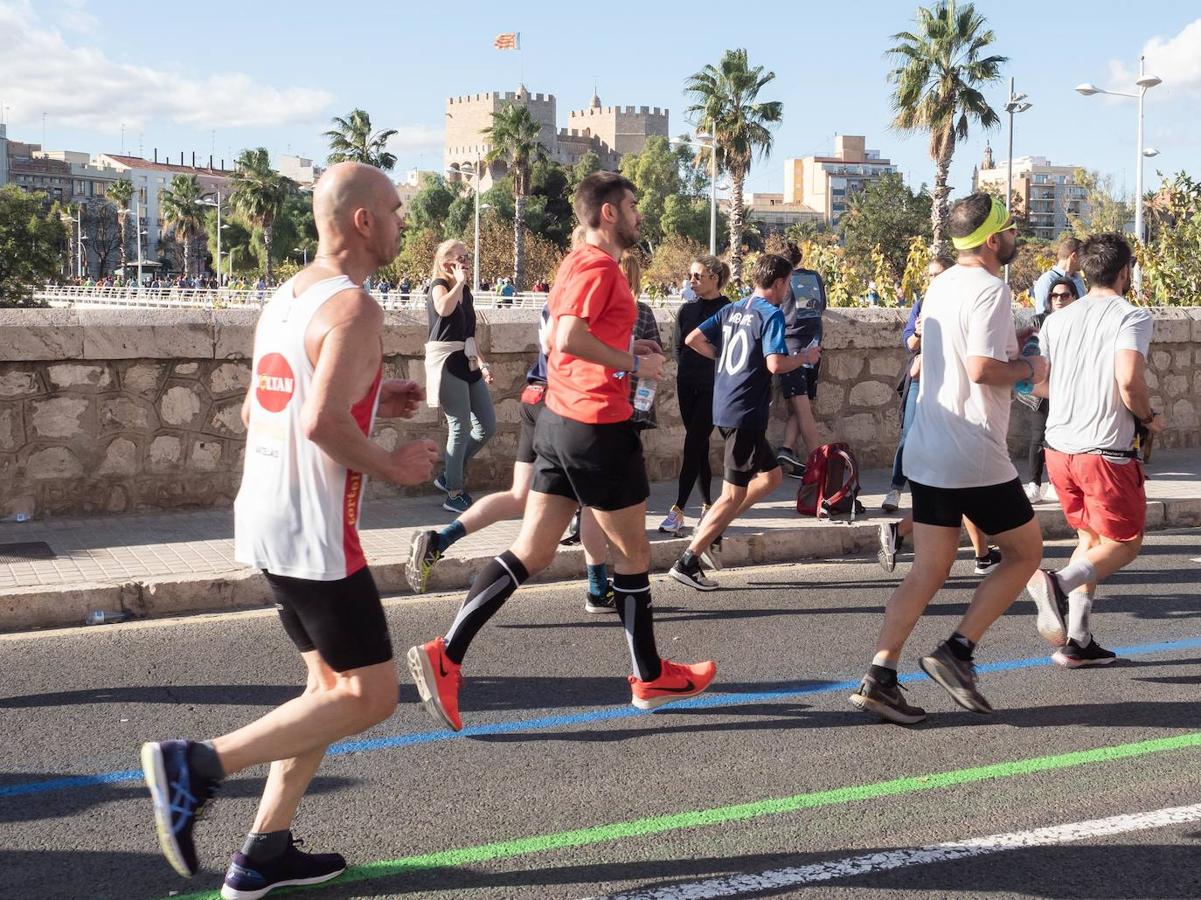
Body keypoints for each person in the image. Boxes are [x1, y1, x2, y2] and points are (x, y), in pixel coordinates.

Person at [139, 163, 440, 897]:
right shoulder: (356, 311)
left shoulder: (288, 295)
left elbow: (261, 410)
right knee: (369, 697)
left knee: (324, 689)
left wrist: (374, 399)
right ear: (364, 220)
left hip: (264, 515)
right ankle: (198, 764)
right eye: (396, 210)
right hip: (314, 528)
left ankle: (264, 849)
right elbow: (319, 422)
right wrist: (396, 467)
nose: (403, 221)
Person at [406, 171, 716, 732]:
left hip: (558, 421)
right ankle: (648, 676)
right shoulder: (598, 266)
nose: (640, 214)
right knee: (634, 556)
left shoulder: (574, 264)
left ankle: (446, 655)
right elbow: (569, 336)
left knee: (533, 550)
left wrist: (626, 344)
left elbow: (560, 341)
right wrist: (635, 364)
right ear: (609, 214)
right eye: (633, 205)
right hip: (598, 425)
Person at [849, 193, 1047, 724]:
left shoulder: (940, 285)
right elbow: (981, 368)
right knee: (1026, 552)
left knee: (929, 570)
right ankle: (957, 653)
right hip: (971, 449)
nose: (1014, 238)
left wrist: (1015, 345)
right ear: (991, 240)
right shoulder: (991, 290)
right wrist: (1031, 367)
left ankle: (880, 677)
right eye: (1009, 231)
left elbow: (962, 353)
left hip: (929, 445)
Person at [406, 300, 617, 614]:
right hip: (562, 403)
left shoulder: (559, 297)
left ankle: (439, 540)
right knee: (589, 502)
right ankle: (598, 590)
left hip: (534, 394)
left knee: (519, 495)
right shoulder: (593, 300)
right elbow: (581, 349)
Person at [1026, 232, 1161, 668]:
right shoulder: (1131, 316)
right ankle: (1057, 584)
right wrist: (1148, 417)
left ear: (1083, 269)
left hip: (1058, 448)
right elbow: (1128, 381)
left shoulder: (1056, 319)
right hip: (1104, 449)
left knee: (1091, 540)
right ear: (1125, 271)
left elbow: (1039, 384)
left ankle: (1078, 640)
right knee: (1125, 542)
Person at [669, 254, 821, 590]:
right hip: (745, 412)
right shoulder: (771, 314)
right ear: (780, 283)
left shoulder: (732, 308)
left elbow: (693, 339)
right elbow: (776, 364)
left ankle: (714, 525)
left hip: (724, 405)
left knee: (771, 476)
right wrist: (806, 357)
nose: (788, 292)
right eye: (788, 285)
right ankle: (689, 558)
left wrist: (722, 358)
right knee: (732, 494)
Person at [658, 255, 730, 536]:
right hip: (687, 384)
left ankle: (678, 509)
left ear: (714, 277)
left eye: (698, 276)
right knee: (698, 447)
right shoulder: (687, 310)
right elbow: (677, 347)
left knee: (693, 442)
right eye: (691, 275)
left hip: (713, 386)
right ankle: (708, 506)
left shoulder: (728, 309)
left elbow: (727, 348)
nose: (692, 281)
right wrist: (687, 369)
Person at [424, 240, 497, 513]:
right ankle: (453, 492)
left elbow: (469, 335)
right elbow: (443, 309)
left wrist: (484, 364)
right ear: (446, 264)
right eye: (460, 258)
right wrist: (458, 283)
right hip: (446, 362)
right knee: (460, 426)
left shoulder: (465, 292)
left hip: (466, 361)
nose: (466, 261)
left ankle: (448, 476)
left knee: (486, 426)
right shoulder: (439, 286)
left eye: (467, 257)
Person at [882, 253, 955, 513]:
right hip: (919, 377)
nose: (932, 280)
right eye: (930, 275)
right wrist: (919, 333)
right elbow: (909, 343)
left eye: (937, 274)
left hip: (948, 379)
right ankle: (895, 488)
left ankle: (938, 490)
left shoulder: (958, 304)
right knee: (909, 432)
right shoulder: (922, 305)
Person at [1023, 276, 1080, 503]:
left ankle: (1057, 483)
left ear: (1074, 298)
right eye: (1054, 295)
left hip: (1068, 387)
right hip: (1043, 387)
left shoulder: (1079, 323)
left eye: (1064, 295)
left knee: (1065, 436)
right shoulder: (1039, 322)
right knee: (1039, 435)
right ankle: (1034, 484)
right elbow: (1031, 354)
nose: (1059, 299)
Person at [774, 241, 827, 478]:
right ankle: (787, 448)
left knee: (802, 405)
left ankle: (818, 465)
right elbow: (822, 306)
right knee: (804, 402)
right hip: (814, 346)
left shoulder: (783, 283)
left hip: (792, 347)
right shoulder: (814, 277)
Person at [1032, 237, 1087, 315]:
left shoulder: (1078, 280)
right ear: (1074, 256)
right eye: (1083, 257)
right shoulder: (1047, 280)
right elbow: (1042, 315)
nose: (1085, 261)